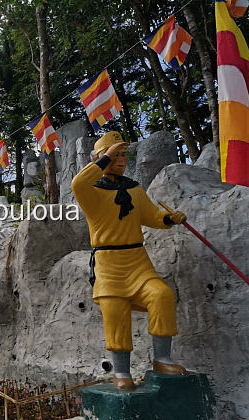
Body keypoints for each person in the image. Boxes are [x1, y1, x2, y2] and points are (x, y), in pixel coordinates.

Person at [71, 131, 188, 390]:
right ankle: (122, 372)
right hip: (108, 263)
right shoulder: (91, 192)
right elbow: (77, 183)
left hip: (137, 261)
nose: (120, 159)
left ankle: (162, 359)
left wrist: (169, 219)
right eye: (114, 154)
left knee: (161, 296)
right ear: (99, 158)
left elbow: (151, 216)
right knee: (115, 314)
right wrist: (103, 160)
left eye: (123, 153)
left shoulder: (134, 189)